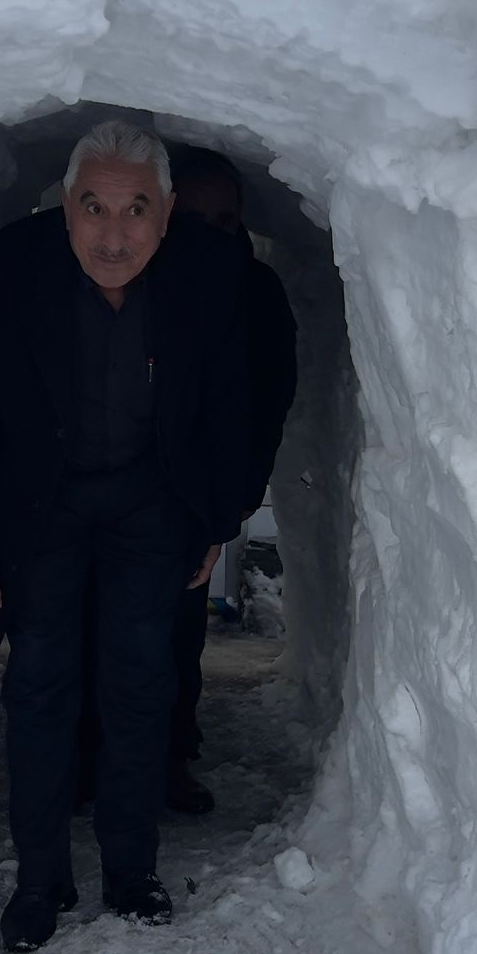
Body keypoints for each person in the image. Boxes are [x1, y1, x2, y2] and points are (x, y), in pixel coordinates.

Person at [0, 121, 253, 953]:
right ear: (64, 206)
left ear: (168, 212)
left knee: (140, 679)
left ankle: (131, 868)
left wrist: (218, 520)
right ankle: (40, 879)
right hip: (43, 507)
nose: (114, 236)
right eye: (94, 208)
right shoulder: (0, 275)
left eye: (136, 209)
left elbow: (234, 407)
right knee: (42, 682)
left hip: (151, 503)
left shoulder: (212, 276)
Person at [74, 145, 299, 815]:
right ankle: (84, 754)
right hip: (107, 494)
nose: (210, 234)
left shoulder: (255, 291)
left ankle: (168, 756)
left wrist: (236, 497)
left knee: (173, 636)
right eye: (194, 219)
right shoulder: (127, 283)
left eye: (224, 220)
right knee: (86, 626)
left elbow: (267, 399)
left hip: (188, 499)